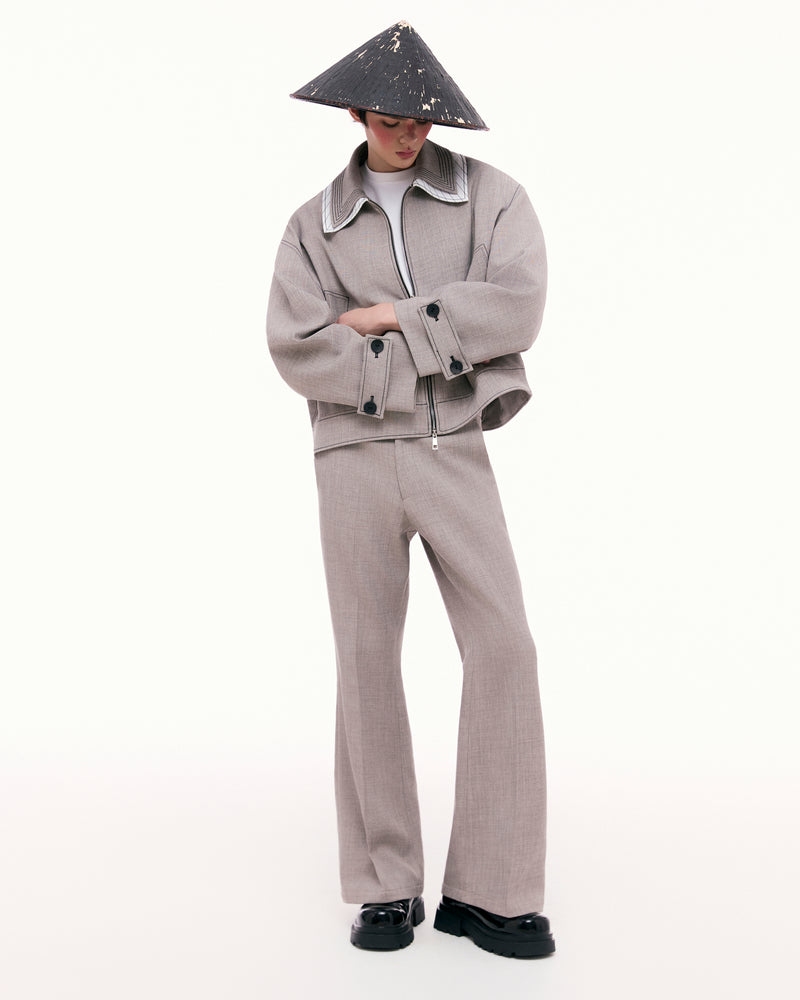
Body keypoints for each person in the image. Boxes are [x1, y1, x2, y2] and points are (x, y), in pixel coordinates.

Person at [266, 21, 555, 958]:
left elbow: (517, 306)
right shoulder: (311, 225)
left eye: (422, 119)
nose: (408, 134)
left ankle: (495, 891)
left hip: (453, 447)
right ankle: (385, 886)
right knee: (366, 658)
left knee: (504, 646)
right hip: (351, 456)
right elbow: (298, 346)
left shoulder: (492, 198)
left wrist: (388, 318)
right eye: (391, 119)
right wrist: (430, 352)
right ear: (356, 113)